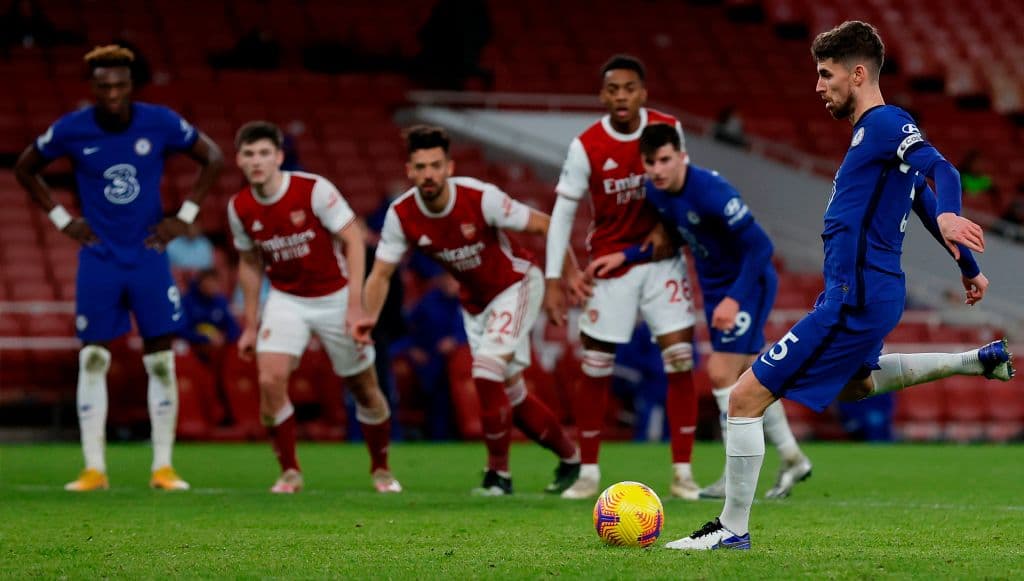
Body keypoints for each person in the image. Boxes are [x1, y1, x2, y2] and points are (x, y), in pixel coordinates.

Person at [667, 21, 1014, 551]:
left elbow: (941, 172)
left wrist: (951, 218)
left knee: (744, 396)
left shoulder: (885, 123)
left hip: (855, 297)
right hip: (863, 294)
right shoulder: (870, 136)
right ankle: (975, 361)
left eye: (826, 74)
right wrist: (966, 265)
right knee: (857, 385)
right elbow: (919, 196)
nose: (818, 85)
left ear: (857, 74)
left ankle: (730, 529)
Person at [13, 45, 223, 492]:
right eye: (103, 85)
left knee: (162, 360)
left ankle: (163, 468)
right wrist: (61, 220)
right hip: (100, 258)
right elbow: (25, 167)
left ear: (131, 85)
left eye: (119, 84)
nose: (111, 93)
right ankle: (94, 469)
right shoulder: (72, 129)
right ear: (92, 87)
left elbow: (214, 157)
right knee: (92, 357)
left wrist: (185, 215)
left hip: (148, 255)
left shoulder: (160, 121)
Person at [587, 123, 813, 500]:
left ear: (682, 157)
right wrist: (622, 257)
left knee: (720, 372)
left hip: (747, 284)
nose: (658, 169)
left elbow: (761, 247)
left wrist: (733, 299)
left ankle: (733, 476)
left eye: (665, 160)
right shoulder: (657, 195)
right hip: (715, 289)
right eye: (650, 162)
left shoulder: (712, 192)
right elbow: (668, 242)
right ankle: (792, 457)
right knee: (749, 377)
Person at [355, 125, 582, 496]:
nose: (428, 174)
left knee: (486, 369)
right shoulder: (402, 214)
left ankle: (498, 476)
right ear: (409, 171)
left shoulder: (480, 197)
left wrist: (561, 279)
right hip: (475, 303)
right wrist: (366, 319)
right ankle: (571, 459)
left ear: (449, 167)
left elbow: (546, 224)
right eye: (420, 167)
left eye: (435, 165)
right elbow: (380, 274)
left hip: (517, 284)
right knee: (512, 395)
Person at [544, 54, 701, 500]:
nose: (620, 97)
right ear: (602, 95)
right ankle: (589, 472)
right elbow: (562, 214)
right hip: (610, 265)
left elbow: (680, 182)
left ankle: (683, 473)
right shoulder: (587, 145)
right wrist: (554, 278)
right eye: (612, 89)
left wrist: (667, 226)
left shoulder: (667, 127)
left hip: (660, 261)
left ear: (643, 93)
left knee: (681, 360)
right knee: (595, 366)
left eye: (629, 88)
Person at [227, 121, 401, 495]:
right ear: (239, 160)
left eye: (264, 153)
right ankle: (290, 471)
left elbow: (353, 237)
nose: (256, 161)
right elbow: (250, 263)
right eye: (249, 154)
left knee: (364, 388)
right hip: (286, 299)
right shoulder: (239, 206)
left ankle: (381, 469)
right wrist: (250, 324)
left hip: (335, 296)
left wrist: (356, 305)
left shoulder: (313, 189)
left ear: (279, 157)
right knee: (269, 380)